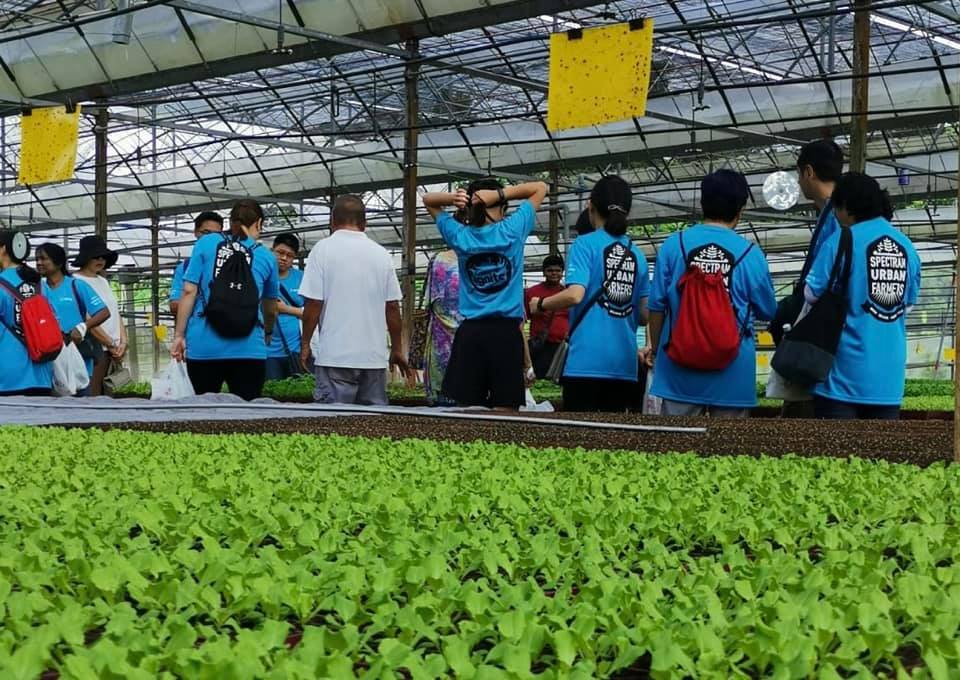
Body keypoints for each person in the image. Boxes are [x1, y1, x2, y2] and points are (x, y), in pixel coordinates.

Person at [644, 170, 777, 417]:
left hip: (678, 367)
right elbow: (768, 310)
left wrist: (655, 349)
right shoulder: (751, 253)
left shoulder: (674, 245)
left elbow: (656, 306)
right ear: (740, 209)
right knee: (729, 450)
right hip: (733, 370)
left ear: (702, 202)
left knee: (676, 450)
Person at [422, 179, 548, 409]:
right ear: (502, 205)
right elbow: (540, 187)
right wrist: (500, 193)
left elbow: (428, 201)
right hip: (505, 332)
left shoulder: (461, 236)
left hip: (470, 333)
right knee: (506, 408)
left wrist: (454, 199)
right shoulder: (512, 230)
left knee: (470, 410)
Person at [528, 176, 649, 412]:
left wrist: (540, 303)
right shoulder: (638, 254)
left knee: (581, 442)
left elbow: (574, 295)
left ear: (590, 205)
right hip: (624, 365)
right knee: (612, 441)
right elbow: (644, 315)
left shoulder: (585, 244)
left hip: (585, 362)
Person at [806, 172, 920, 420]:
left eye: (837, 207)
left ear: (846, 206)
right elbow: (907, 305)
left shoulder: (841, 240)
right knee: (880, 455)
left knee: (836, 455)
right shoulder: (907, 247)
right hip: (889, 378)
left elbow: (811, 294)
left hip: (841, 376)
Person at [298, 195, 406, 406]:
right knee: (373, 427)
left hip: (335, 357)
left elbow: (313, 305)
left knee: (334, 427)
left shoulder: (322, 250)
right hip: (373, 359)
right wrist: (396, 348)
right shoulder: (381, 254)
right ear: (364, 223)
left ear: (332, 221)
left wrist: (305, 344)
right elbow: (392, 306)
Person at [170, 199, 280, 401]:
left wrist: (179, 335)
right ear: (259, 223)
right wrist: (268, 330)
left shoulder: (206, 243)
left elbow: (188, 291)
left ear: (231, 222)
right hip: (249, 348)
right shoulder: (266, 256)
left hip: (204, 347)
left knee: (203, 415)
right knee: (248, 418)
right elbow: (270, 307)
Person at [770, 139, 844, 416]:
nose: (799, 182)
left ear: (809, 172)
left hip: (823, 328)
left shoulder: (837, 215)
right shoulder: (829, 212)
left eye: (799, 174)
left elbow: (826, 282)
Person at [36, 243, 111, 387]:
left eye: (44, 259)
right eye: (37, 259)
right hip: (50, 357)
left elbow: (103, 312)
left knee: (82, 399)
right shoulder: (38, 288)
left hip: (78, 354)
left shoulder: (76, 285)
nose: (39, 263)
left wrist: (83, 327)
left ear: (58, 262)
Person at [0, 230, 54, 396]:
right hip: (43, 373)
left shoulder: (1, 284)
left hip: (8, 376)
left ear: (3, 250)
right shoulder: (40, 284)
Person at [72, 236, 126, 396]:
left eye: (104, 257)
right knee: (93, 394)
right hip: (94, 348)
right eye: (96, 256)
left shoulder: (103, 281)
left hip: (114, 349)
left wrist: (123, 341)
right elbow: (86, 319)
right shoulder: (76, 281)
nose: (100, 260)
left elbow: (115, 312)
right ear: (85, 258)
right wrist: (108, 342)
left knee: (112, 393)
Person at [423, 249, 461, 405]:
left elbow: (429, 302)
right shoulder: (483, 256)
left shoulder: (439, 259)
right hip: (471, 330)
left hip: (441, 336)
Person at [266, 233, 306, 381]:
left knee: (298, 396)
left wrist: (285, 309)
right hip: (267, 352)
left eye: (289, 255)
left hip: (295, 350)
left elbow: (314, 313)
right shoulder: (260, 275)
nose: (284, 258)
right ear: (272, 250)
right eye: (280, 253)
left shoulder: (301, 278)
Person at [170, 211, 224, 315]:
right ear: (195, 232)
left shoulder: (232, 265)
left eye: (215, 234)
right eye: (206, 233)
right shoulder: (184, 268)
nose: (210, 238)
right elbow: (174, 305)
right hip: (196, 328)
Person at [524, 254, 570, 379]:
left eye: (558, 271)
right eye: (550, 270)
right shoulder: (531, 292)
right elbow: (522, 320)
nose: (554, 273)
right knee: (538, 378)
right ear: (543, 272)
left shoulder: (569, 293)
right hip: (540, 345)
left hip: (562, 346)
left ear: (562, 272)